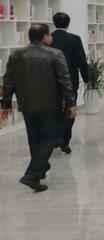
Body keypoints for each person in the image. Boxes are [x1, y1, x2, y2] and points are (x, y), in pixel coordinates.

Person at [0, 24, 76, 192]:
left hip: (26, 104)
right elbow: (65, 81)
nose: (51, 38)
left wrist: (5, 104)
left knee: (34, 138)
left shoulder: (16, 55)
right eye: (50, 35)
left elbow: (8, 81)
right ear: (44, 37)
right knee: (52, 136)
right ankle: (32, 175)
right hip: (50, 104)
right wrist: (71, 103)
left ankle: (40, 168)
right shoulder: (55, 54)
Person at [50, 12, 89, 154]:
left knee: (53, 110)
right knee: (70, 109)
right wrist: (87, 78)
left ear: (54, 23)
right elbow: (81, 61)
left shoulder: (48, 39)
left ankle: (54, 138)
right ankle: (64, 139)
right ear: (68, 24)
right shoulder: (74, 39)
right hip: (70, 81)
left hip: (50, 81)